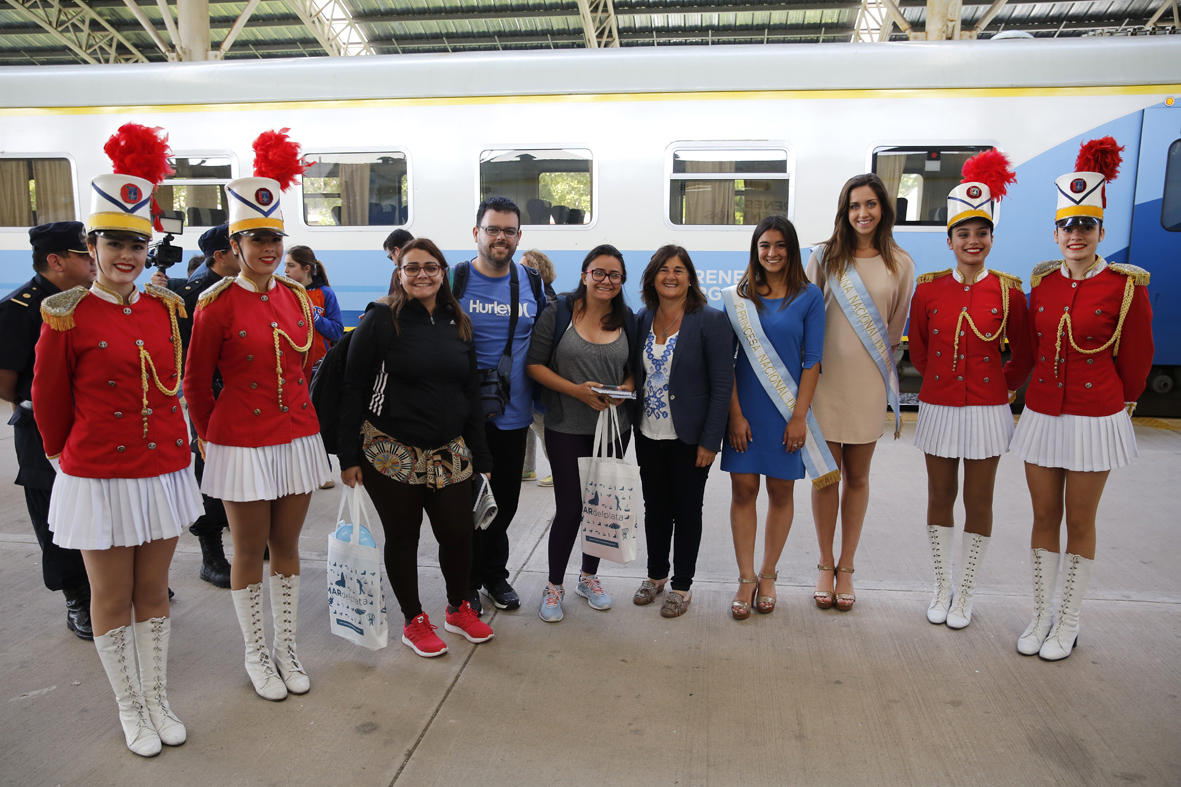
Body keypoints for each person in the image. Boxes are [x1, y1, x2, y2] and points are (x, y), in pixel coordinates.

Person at [33, 124, 202, 756]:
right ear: (92, 245)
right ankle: (129, 705)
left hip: (160, 470)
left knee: (153, 592)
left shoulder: (164, 309)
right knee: (110, 594)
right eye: (114, 244)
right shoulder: (67, 313)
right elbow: (50, 405)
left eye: (137, 243)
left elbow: (172, 388)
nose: (127, 256)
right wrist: (68, 461)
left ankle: (157, 696)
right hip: (99, 474)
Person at [185, 129, 331, 701]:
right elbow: (196, 382)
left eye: (274, 237)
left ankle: (287, 647)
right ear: (237, 244)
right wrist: (205, 439)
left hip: (295, 435)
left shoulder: (295, 297)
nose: (268, 248)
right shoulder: (215, 304)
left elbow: (308, 365)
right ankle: (255, 652)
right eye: (256, 239)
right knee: (248, 550)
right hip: (240, 440)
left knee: (289, 548)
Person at [1009, 138, 1153, 661]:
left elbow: (1136, 363)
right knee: (1042, 516)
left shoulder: (1125, 286)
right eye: (1068, 226)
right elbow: (1028, 349)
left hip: (1095, 417)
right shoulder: (1042, 283)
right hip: (1044, 413)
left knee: (1081, 520)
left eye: (1085, 226)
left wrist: (1118, 404)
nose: (1076, 235)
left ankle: (1068, 620)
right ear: (1055, 232)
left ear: (1100, 232)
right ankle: (1041, 614)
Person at [338, 238, 495, 658]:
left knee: (459, 535)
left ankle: (459, 608)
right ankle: (413, 620)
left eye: (430, 266)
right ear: (399, 273)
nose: (421, 274)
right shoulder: (380, 320)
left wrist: (481, 456)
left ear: (443, 272)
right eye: (412, 268)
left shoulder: (456, 320)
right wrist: (347, 456)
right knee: (404, 538)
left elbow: (471, 391)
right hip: (390, 452)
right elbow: (353, 388)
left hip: (450, 452)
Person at [908, 151, 1033, 629]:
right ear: (950, 239)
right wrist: (940, 384)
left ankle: (967, 594)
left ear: (991, 238)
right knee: (939, 496)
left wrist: (998, 390)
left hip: (987, 409)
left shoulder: (1009, 292)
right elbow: (919, 351)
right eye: (964, 233)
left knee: (979, 501)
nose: (973, 241)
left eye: (981, 233)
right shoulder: (929, 290)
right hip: (939, 406)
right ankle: (942, 586)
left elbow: (1021, 355)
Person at [806, 173, 915, 612]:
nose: (862, 213)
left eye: (870, 204)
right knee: (825, 476)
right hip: (825, 381)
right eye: (854, 206)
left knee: (858, 476)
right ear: (844, 211)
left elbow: (894, 329)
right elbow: (808, 316)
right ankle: (824, 562)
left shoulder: (900, 263)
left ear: (883, 209)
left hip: (870, 382)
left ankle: (847, 566)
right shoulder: (824, 258)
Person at [722, 219, 830, 619]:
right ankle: (746, 577)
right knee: (743, 491)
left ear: (792, 249)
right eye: (764, 245)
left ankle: (768, 573)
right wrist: (734, 415)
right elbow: (726, 362)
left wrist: (799, 417)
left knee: (781, 493)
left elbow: (813, 360)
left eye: (780, 245)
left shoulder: (809, 297)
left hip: (788, 414)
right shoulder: (738, 297)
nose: (772, 253)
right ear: (755, 249)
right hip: (745, 411)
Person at [526, 244, 634, 623]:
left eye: (614, 275)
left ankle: (589, 578)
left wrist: (622, 391)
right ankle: (554, 585)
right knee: (571, 508)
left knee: (601, 508)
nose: (606, 281)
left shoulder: (628, 319)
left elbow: (636, 369)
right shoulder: (559, 313)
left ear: (622, 281)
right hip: (565, 426)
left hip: (613, 430)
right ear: (585, 274)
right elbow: (534, 365)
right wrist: (577, 392)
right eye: (599, 272)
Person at [0, 222, 96, 639]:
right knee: (55, 518)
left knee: (97, 508)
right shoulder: (19, 308)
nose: (92, 259)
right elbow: (5, 380)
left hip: (92, 425)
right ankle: (77, 596)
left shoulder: (91, 301)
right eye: (83, 254)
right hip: (40, 429)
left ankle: (108, 583)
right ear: (56, 261)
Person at [453, 196, 547, 615]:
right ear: (477, 233)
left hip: (513, 416)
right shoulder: (454, 279)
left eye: (509, 230)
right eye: (493, 229)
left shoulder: (532, 283)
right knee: (464, 504)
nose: (501, 237)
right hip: (461, 417)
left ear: (519, 236)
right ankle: (468, 581)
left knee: (504, 502)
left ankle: (495, 575)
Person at [631, 245, 733, 618]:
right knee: (654, 509)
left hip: (690, 438)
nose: (670, 276)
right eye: (663, 269)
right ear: (652, 277)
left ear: (690, 277)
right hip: (647, 433)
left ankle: (682, 586)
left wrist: (710, 440)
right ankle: (656, 576)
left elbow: (722, 385)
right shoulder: (643, 318)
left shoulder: (710, 320)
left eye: (678, 269)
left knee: (687, 511)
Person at [152, 224, 241, 588]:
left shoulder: (244, 285)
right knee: (212, 477)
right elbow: (188, 359)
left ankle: (251, 537)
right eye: (239, 247)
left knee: (245, 475)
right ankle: (211, 554)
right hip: (214, 399)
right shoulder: (194, 294)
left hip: (243, 397)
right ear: (220, 255)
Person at [520, 249, 558, 487]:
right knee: (528, 421)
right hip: (531, 372)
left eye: (523, 267)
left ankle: (558, 468)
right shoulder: (541, 296)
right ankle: (526, 468)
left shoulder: (545, 300)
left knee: (539, 422)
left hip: (539, 373)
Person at [384, 228, 414, 296]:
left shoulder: (398, 272)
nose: (394, 263)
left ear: (397, 250)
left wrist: (385, 301)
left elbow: (394, 298)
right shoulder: (435, 267)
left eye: (391, 257)